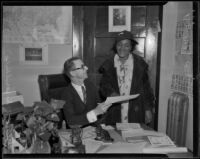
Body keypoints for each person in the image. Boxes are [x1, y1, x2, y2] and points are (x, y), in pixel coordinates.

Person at [99, 30, 155, 126]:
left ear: (131, 47)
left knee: (135, 138)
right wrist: (112, 94)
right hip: (115, 109)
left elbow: (146, 89)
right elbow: (104, 86)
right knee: (116, 137)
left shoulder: (140, 64)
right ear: (115, 46)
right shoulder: (108, 64)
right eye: (120, 44)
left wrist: (147, 109)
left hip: (135, 109)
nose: (122, 48)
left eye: (126, 45)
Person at [61, 57, 111, 127]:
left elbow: (98, 106)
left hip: (96, 129)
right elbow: (71, 121)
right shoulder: (66, 94)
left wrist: (104, 107)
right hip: (79, 133)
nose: (86, 68)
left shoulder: (90, 85)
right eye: (82, 67)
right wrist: (95, 112)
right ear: (72, 73)